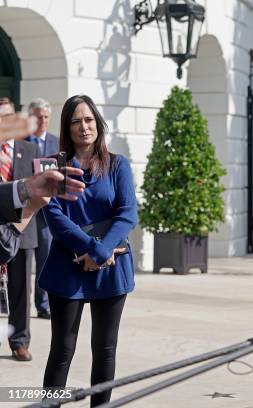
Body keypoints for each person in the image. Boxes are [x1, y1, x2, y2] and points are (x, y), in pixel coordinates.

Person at [39, 95, 137, 407]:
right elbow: (54, 218)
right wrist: (94, 249)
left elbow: (128, 214)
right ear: (67, 127)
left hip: (111, 266)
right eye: (76, 121)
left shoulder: (118, 164)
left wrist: (101, 252)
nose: (84, 127)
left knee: (106, 349)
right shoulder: (50, 166)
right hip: (66, 268)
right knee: (62, 351)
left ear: (98, 123)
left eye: (89, 119)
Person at [0, 97, 41, 361]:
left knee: (20, 289)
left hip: (22, 229)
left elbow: (39, 191)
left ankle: (20, 341)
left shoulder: (30, 150)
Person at [26, 98, 60, 320]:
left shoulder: (57, 143)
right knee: (21, 263)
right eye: (39, 117)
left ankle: (43, 304)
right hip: (25, 212)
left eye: (46, 117)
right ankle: (18, 306)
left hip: (47, 212)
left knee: (45, 259)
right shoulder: (20, 142)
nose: (43, 121)